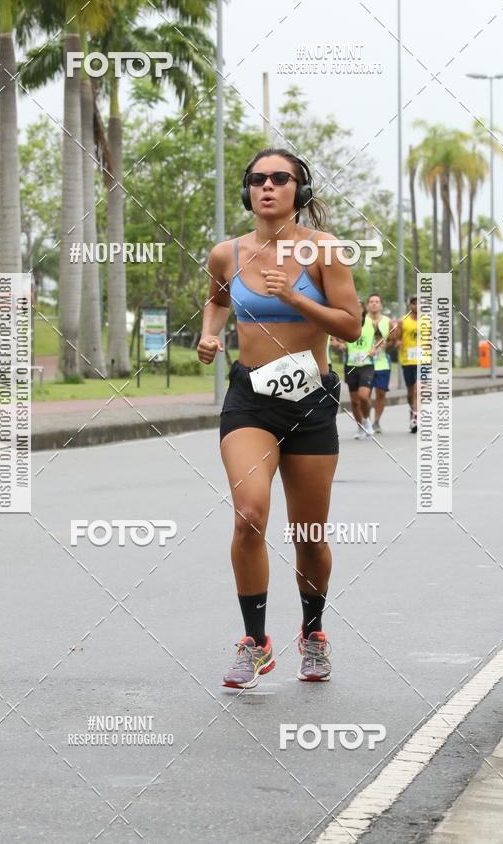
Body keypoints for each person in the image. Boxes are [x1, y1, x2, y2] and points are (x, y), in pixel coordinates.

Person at [197, 147, 361, 688]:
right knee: (248, 514)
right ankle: (255, 641)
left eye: (280, 178)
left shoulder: (325, 251)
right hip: (250, 399)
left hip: (311, 400)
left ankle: (313, 634)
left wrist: (294, 296)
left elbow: (351, 326)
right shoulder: (227, 253)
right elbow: (218, 299)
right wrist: (210, 332)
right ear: (248, 191)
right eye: (257, 179)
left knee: (308, 532)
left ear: (299, 190)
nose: (267, 186)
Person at [338, 303, 375, 439]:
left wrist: (375, 348)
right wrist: (339, 343)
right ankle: (361, 427)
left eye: (360, 306)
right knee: (354, 401)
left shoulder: (371, 323)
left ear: (363, 310)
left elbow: (382, 338)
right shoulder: (348, 323)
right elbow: (337, 336)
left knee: (363, 396)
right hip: (351, 365)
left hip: (366, 365)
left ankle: (366, 420)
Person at [392, 295, 420, 433]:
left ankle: (415, 416)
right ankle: (413, 410)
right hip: (407, 360)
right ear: (410, 306)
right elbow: (396, 337)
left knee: (418, 389)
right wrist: (398, 342)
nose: (417, 306)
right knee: (410, 392)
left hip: (423, 360)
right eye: (414, 304)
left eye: (419, 304)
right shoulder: (403, 321)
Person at [364, 293, 392, 434]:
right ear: (368, 305)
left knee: (380, 393)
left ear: (380, 305)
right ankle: (366, 419)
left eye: (377, 301)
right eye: (371, 301)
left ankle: (376, 421)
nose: (374, 304)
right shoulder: (362, 321)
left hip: (382, 363)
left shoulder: (387, 321)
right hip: (366, 363)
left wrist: (386, 345)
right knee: (365, 395)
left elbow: (393, 340)